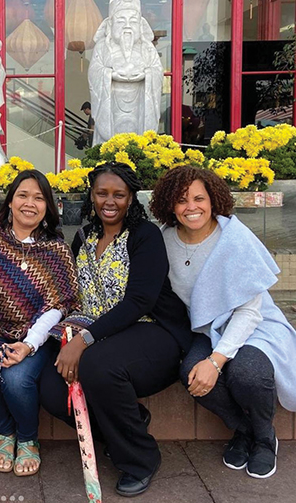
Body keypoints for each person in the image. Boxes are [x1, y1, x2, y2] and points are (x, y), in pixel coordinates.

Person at [150, 166, 296, 479]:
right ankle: (242, 430)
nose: (192, 207)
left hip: (256, 326)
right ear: (169, 205)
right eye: (182, 200)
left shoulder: (234, 238)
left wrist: (216, 361)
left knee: (247, 373)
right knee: (190, 372)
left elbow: (249, 312)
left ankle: (265, 437)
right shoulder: (164, 241)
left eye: (199, 198)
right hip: (206, 327)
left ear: (213, 200)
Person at [40, 162, 192, 497]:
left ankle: (141, 459)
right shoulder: (84, 236)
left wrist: (83, 341)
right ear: (91, 195)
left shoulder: (144, 236)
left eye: (119, 194)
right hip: (96, 333)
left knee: (98, 366)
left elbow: (140, 300)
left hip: (153, 332)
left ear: (131, 198)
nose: (110, 201)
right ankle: (126, 422)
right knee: (53, 388)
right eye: (102, 193)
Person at [0, 170, 78, 476]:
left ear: (48, 207)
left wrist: (29, 344)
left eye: (39, 198)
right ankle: (5, 432)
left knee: (16, 380)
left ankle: (28, 438)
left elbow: (60, 304)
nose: (30, 203)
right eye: (23, 195)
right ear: (11, 202)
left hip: (36, 337)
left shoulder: (56, 250)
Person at [88, 0, 163, 144]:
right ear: (110, 25)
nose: (127, 26)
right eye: (121, 21)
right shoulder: (102, 47)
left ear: (141, 26)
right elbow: (94, 72)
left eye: (133, 21)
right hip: (111, 105)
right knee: (108, 144)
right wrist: (109, 75)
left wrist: (147, 75)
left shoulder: (147, 48)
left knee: (139, 143)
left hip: (139, 104)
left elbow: (157, 70)